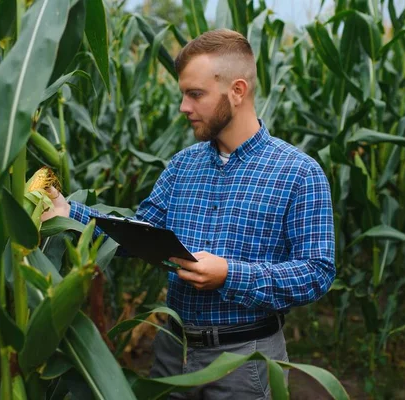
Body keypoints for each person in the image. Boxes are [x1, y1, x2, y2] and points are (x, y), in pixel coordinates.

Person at [42, 29, 335, 400]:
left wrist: (230, 275)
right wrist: (70, 212)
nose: (184, 106)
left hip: (245, 363)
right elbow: (141, 235)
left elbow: (317, 272)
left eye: (195, 94)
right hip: (172, 352)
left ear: (238, 91)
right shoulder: (183, 165)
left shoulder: (299, 173)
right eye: (184, 93)